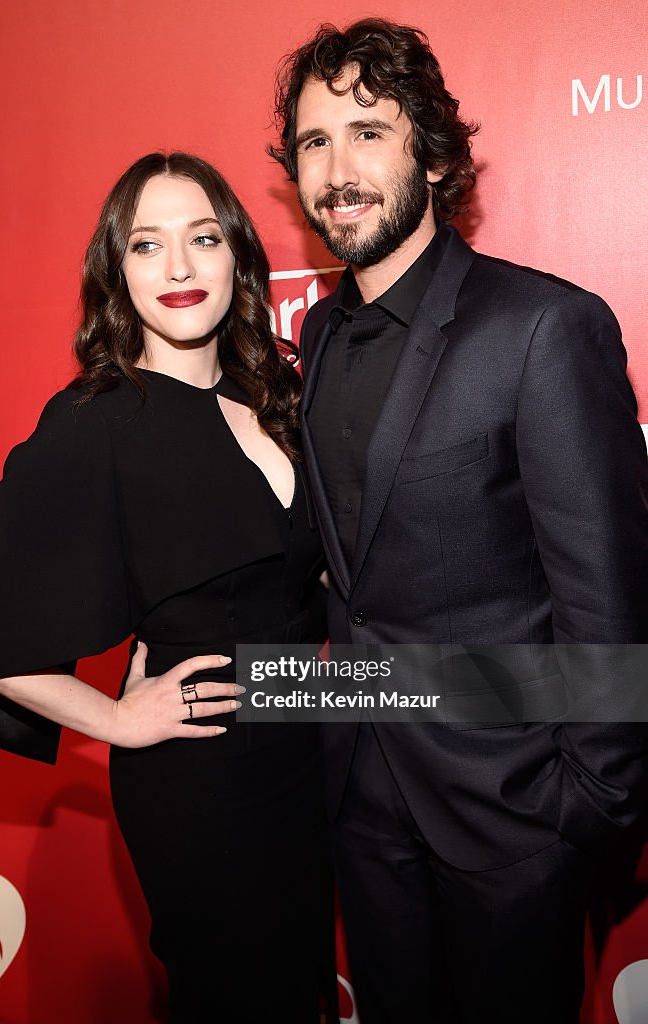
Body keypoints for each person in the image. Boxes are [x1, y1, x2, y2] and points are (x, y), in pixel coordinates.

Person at [269, 18, 648, 1024]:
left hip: (511, 815)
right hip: (361, 801)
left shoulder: (539, 328)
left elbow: (606, 602)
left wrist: (583, 812)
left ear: (430, 157)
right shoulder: (316, 336)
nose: (337, 169)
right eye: (313, 142)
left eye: (366, 133)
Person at [0, 152, 335, 1024]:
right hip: (202, 776)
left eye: (202, 238)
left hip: (311, 750)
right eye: (147, 245)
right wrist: (113, 719)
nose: (178, 267)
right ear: (117, 270)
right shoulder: (95, 418)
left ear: (238, 258)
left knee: (298, 992)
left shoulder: (278, 394)